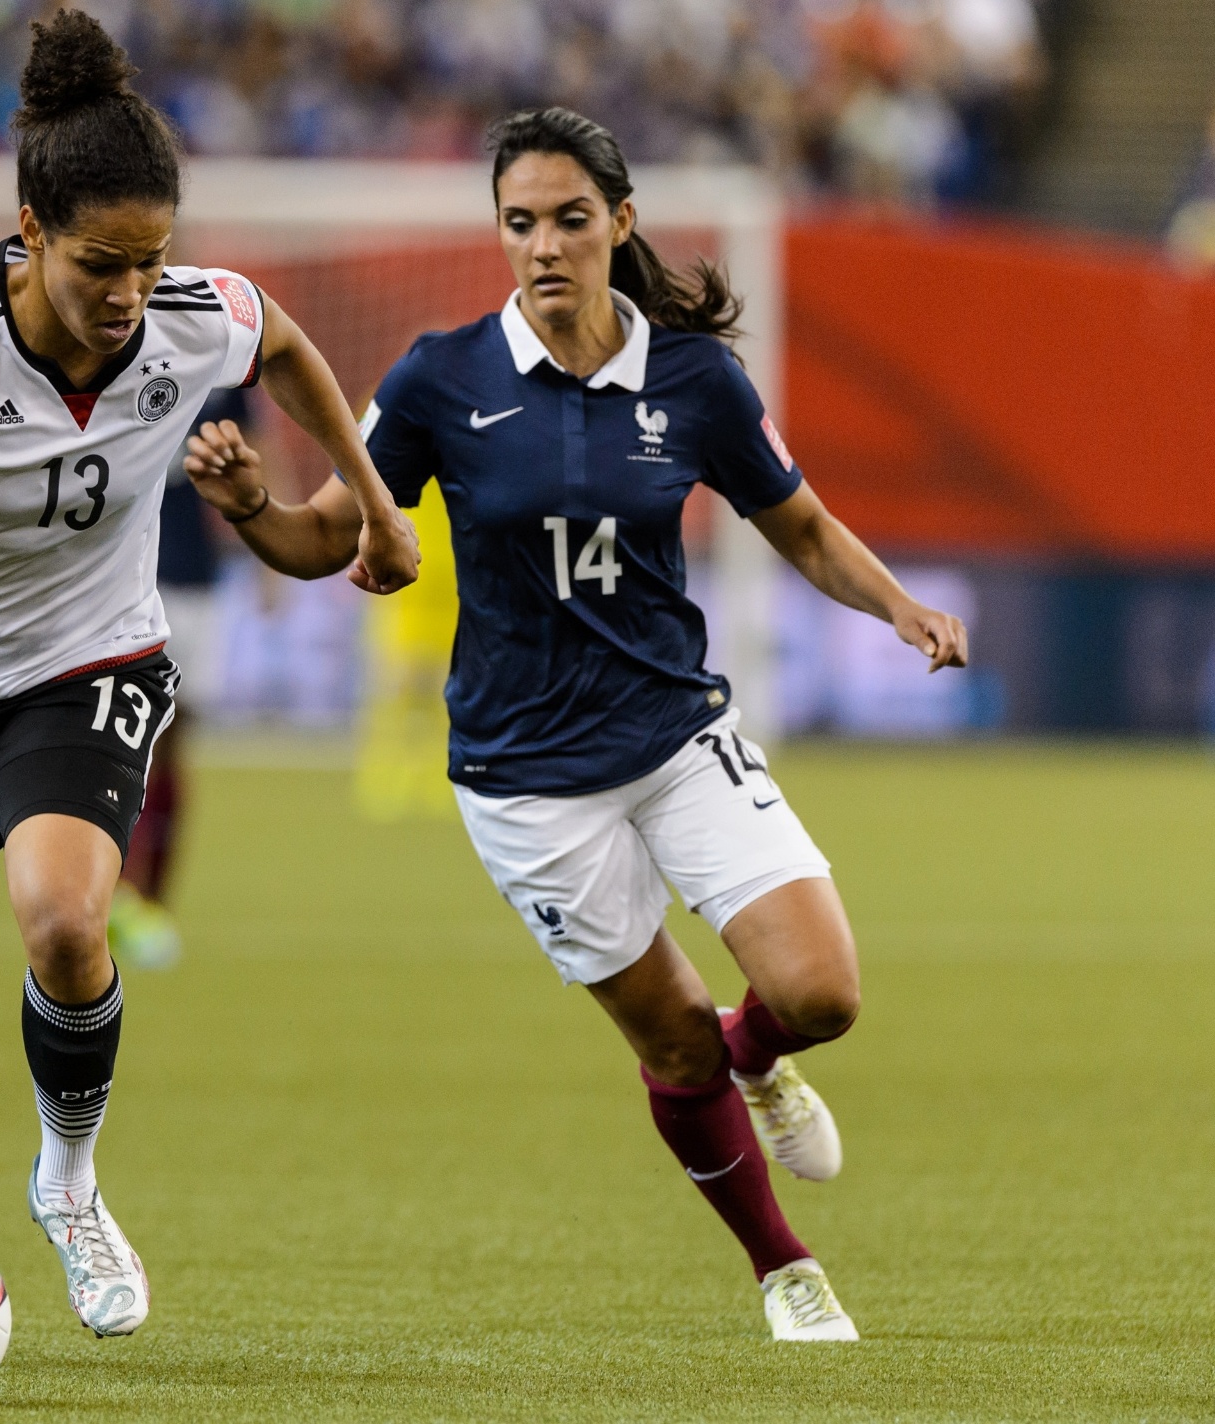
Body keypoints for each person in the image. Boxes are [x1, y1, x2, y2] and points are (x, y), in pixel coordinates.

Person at [183, 106, 968, 1342]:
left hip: (671, 735)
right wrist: (248, 506)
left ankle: (762, 1053)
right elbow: (330, 536)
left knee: (819, 993)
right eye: (518, 223)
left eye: (568, 219)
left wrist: (903, 606)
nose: (543, 246)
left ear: (621, 223)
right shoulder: (439, 379)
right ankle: (784, 1269)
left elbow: (802, 529)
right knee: (674, 1047)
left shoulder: (697, 380)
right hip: (527, 782)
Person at [0, 8, 419, 1349]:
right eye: (101, 262)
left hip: (86, 664)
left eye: (152, 259)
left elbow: (293, 351)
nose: (132, 291)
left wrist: (371, 506)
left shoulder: (195, 318)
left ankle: (69, 1181)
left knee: (68, 922)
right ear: (30, 231)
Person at [106, 385, 251, 970]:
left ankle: (151, 904)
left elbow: (253, 452)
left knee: (171, 743)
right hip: (122, 578)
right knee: (112, 741)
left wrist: (262, 536)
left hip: (194, 582)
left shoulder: (223, 362)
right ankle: (103, 892)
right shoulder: (119, 349)